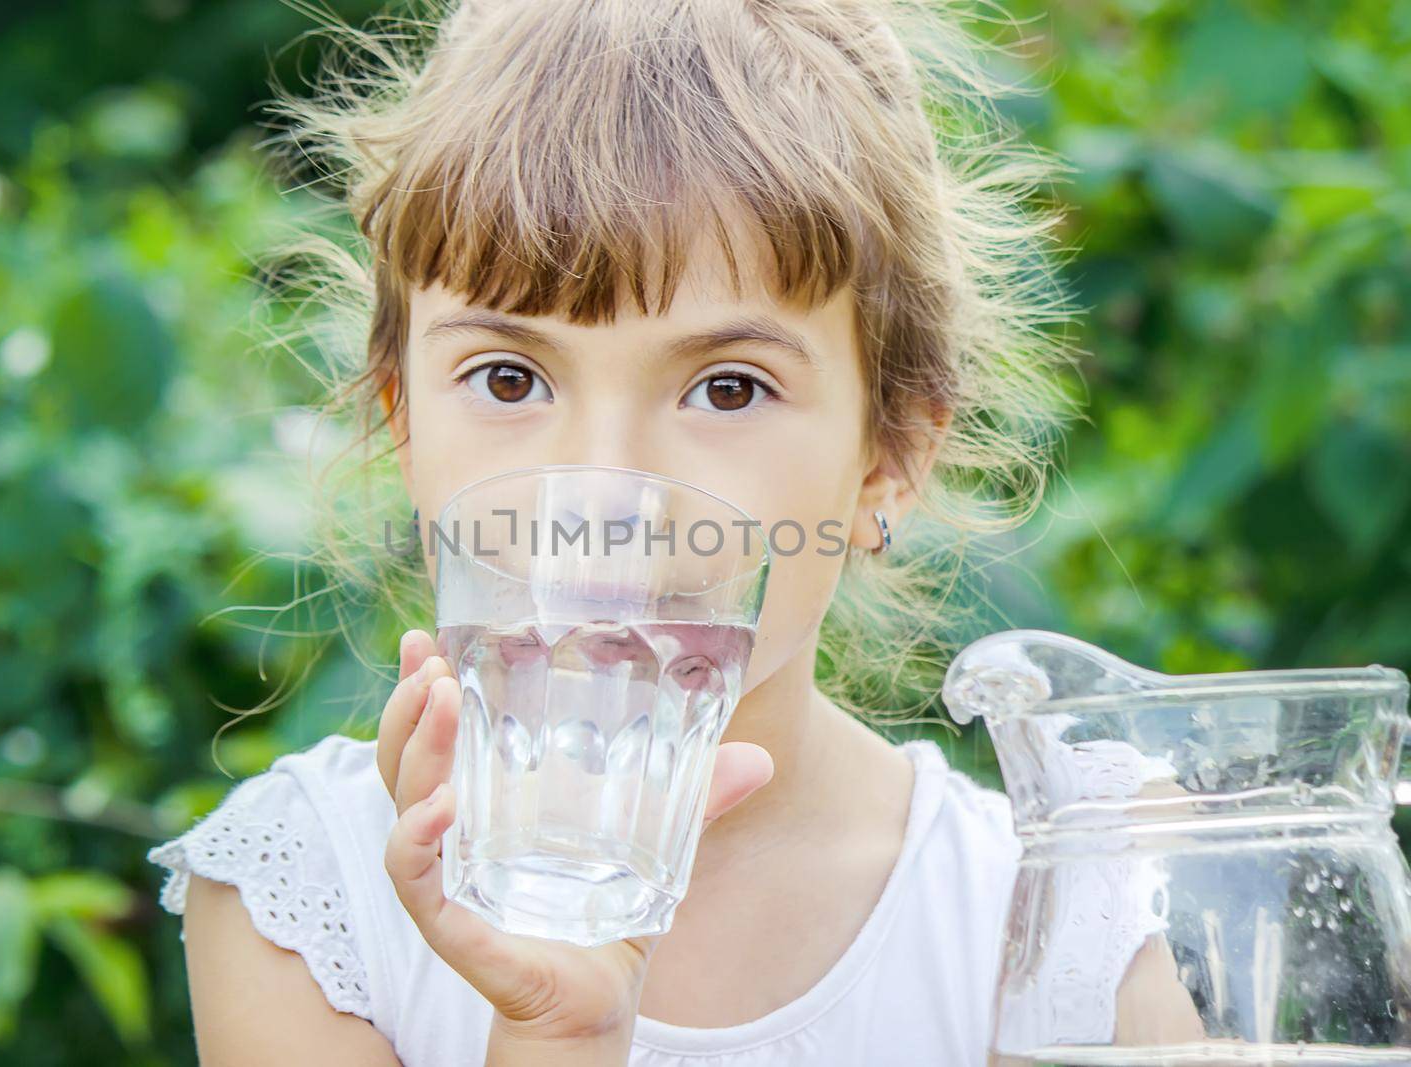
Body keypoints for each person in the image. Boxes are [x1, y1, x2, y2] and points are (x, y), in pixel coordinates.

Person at [147, 0, 1204, 1062]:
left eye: (729, 387)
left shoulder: (1048, 927)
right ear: (404, 421)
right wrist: (559, 1028)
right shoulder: (308, 890)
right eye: (509, 377)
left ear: (889, 457)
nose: (611, 498)